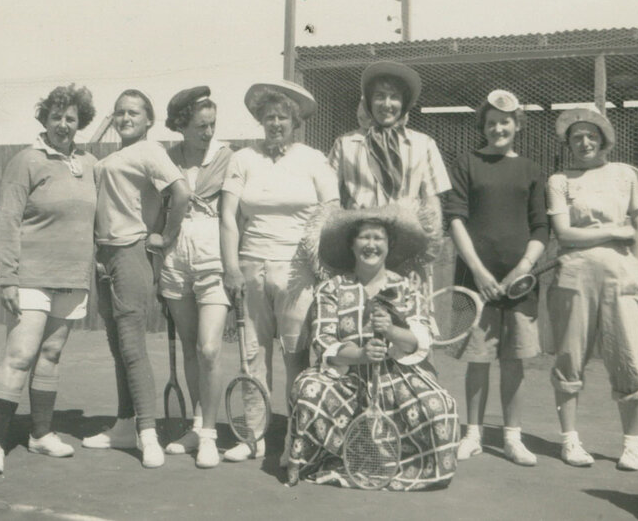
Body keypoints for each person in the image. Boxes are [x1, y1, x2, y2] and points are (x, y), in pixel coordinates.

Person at [285, 204, 458, 490]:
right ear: (352, 245)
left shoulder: (406, 288)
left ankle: (409, 467)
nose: (371, 245)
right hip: (346, 379)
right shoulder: (332, 289)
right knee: (308, 391)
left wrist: (391, 330)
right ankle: (325, 460)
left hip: (396, 377)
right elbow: (323, 341)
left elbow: (421, 338)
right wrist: (361, 356)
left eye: (379, 238)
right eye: (364, 237)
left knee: (440, 407)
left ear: (389, 246)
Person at [0, 84, 98, 474]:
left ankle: (40, 435)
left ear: (80, 123)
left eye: (71, 118)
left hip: (72, 277)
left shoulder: (90, 164)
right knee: (21, 354)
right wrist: (8, 277)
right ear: (44, 120)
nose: (63, 124)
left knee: (50, 355)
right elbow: (8, 220)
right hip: (30, 276)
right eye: (56, 117)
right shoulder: (26, 161)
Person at [220, 81, 339, 463]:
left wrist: (321, 265)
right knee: (252, 355)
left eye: (283, 117)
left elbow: (331, 212)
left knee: (296, 356)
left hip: (298, 272)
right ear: (260, 120)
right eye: (269, 116)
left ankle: (296, 436)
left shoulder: (314, 159)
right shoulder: (242, 159)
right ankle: (253, 436)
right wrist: (232, 267)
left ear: (296, 121)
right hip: (251, 267)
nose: (275, 123)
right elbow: (227, 216)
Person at [81, 90, 190, 469]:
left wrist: (165, 235)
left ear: (148, 120)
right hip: (104, 256)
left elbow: (181, 191)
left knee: (131, 346)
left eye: (134, 112)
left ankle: (147, 432)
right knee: (116, 346)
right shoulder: (109, 159)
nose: (126, 117)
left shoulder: (149, 151)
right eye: (120, 112)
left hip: (131, 253)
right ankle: (126, 424)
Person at [444, 90, 548, 466]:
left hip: (520, 285)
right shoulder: (465, 163)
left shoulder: (532, 170)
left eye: (505, 121)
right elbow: (455, 219)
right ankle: (472, 434)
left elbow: (541, 228)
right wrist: (479, 272)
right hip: (475, 284)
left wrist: (523, 267)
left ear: (517, 125)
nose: (498, 128)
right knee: (478, 359)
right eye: (491, 123)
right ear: (483, 127)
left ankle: (512, 438)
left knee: (515, 361)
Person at [547, 106, 638, 470]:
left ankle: (631, 447)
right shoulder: (559, 180)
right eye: (577, 137)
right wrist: (611, 231)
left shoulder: (625, 176)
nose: (585, 142)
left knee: (628, 358)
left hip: (621, 278)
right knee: (569, 358)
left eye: (591, 135)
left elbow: (637, 233)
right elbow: (564, 234)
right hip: (573, 278)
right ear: (568, 143)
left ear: (604, 139)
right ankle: (570, 441)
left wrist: (637, 275)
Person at [156, 86, 233, 468]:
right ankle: (197, 425)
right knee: (189, 346)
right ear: (182, 126)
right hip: (175, 257)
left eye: (212, 124)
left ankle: (211, 436)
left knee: (209, 349)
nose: (207, 132)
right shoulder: (167, 159)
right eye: (200, 126)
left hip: (213, 255)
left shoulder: (227, 156)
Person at [329, 60, 451, 215]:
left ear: (404, 103)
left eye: (394, 97)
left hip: (407, 232)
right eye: (380, 96)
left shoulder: (424, 144)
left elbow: (431, 200)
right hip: (361, 233)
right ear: (369, 101)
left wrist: (432, 237)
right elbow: (328, 197)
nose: (387, 104)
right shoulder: (344, 144)